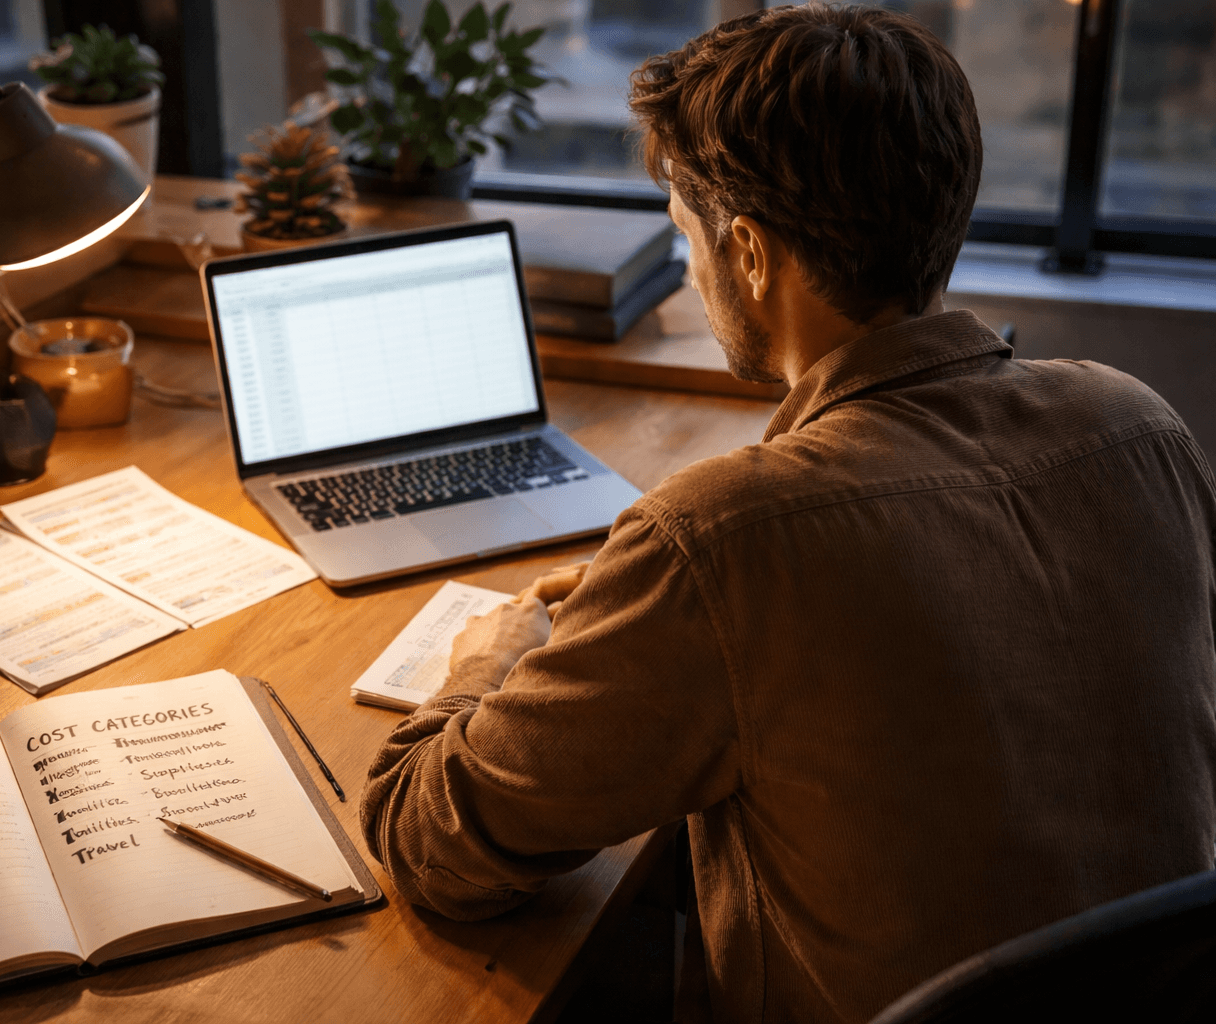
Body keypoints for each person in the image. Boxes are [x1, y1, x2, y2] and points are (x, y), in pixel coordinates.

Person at [359, 4, 1216, 1022]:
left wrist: (490, 665)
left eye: (686, 234)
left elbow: (430, 841)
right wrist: (667, 623)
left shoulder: (722, 538)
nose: (687, 266)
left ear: (752, 255)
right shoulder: (1141, 428)